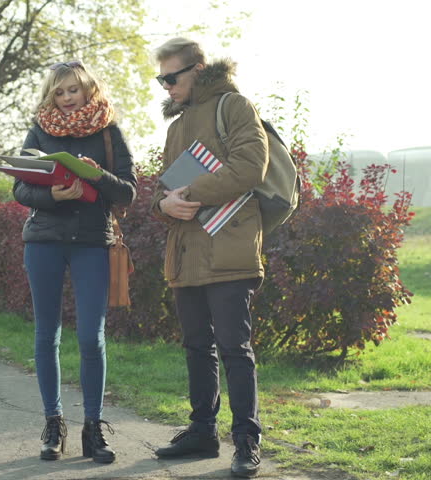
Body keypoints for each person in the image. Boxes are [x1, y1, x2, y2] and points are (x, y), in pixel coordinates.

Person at [150, 37, 268, 478]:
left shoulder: (234, 106)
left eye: (171, 77)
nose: (165, 86)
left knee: (235, 348)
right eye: (160, 78)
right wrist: (163, 205)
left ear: (197, 70)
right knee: (196, 346)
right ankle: (202, 432)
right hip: (186, 253)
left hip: (230, 248)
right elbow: (162, 193)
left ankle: (246, 442)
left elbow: (250, 167)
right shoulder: (175, 125)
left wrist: (190, 195)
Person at [12, 60, 137, 464]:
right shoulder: (39, 131)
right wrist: (54, 197)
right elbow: (20, 188)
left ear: (88, 90)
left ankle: (94, 429)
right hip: (44, 241)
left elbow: (128, 192)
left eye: (73, 90)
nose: (67, 98)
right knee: (47, 335)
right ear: (51, 95)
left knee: (90, 337)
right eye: (59, 92)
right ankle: (54, 424)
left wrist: (97, 176)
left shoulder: (108, 132)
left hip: (91, 243)